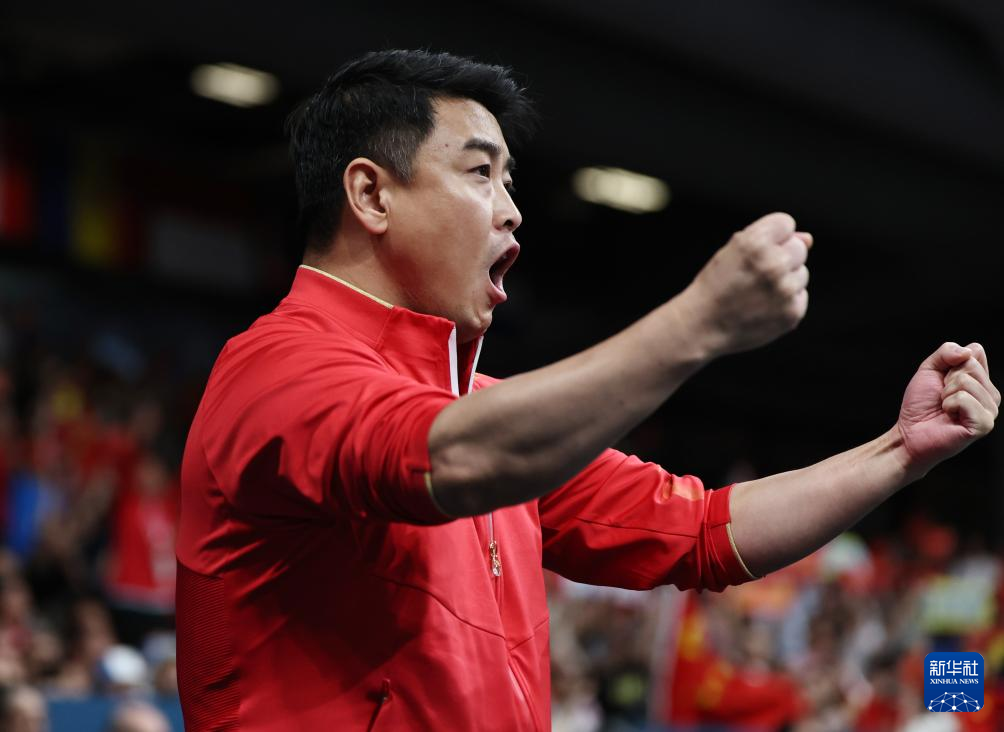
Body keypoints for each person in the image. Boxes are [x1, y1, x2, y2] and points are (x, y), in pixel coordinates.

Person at [175, 49, 999, 731]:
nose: (512, 212)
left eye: (510, 181)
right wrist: (698, 324)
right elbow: (455, 459)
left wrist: (900, 452)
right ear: (370, 194)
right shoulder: (279, 370)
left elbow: (701, 532)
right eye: (481, 173)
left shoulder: (488, 419)